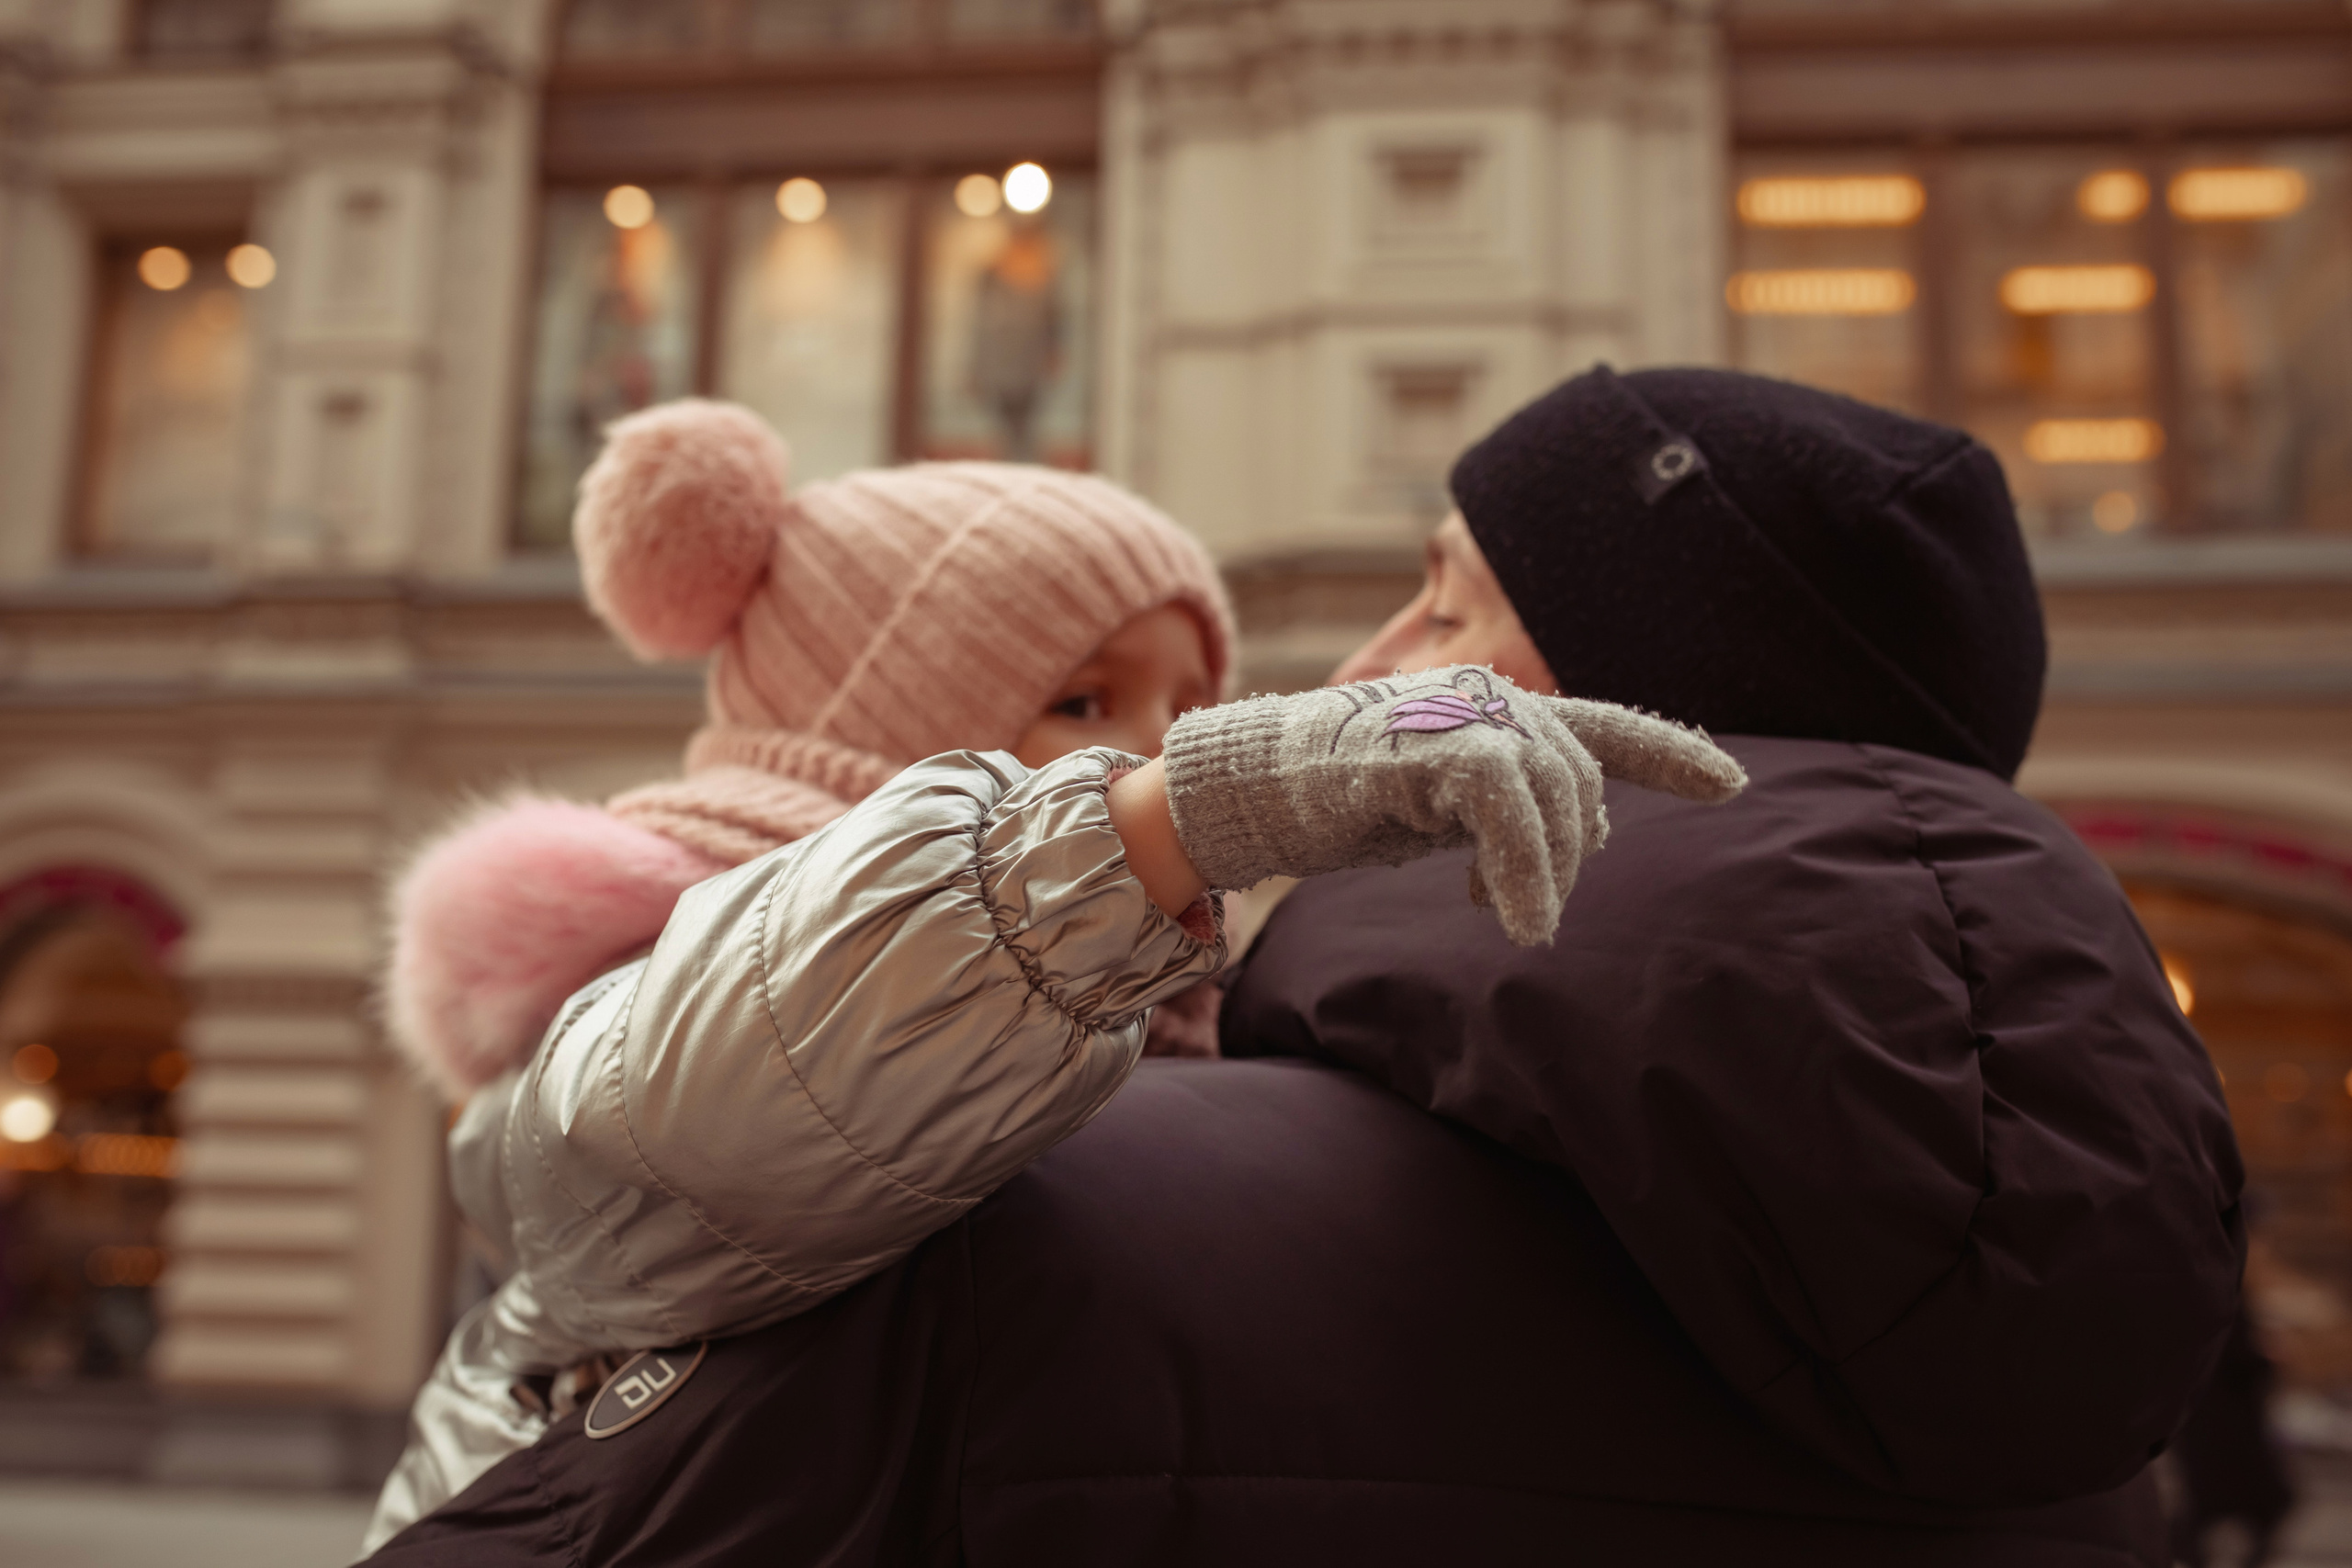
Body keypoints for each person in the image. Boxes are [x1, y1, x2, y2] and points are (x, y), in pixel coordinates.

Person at [366, 367, 2243, 1566]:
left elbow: (586, 1209)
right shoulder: (2093, 1427)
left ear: (1611, 691)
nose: (1356, 667)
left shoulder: (1036, 1222)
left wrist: (1152, 827)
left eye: (1442, 597)